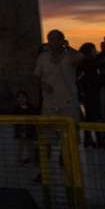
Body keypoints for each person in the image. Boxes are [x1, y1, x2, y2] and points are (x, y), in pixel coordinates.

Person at [33, 29, 85, 181]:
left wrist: (67, 47)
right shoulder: (43, 58)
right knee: (46, 140)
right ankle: (44, 172)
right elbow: (35, 77)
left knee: (69, 141)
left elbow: (81, 58)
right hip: (49, 105)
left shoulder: (69, 56)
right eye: (49, 39)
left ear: (61, 40)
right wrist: (42, 85)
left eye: (55, 39)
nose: (51, 42)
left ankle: (71, 170)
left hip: (69, 105)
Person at [10, 89, 38, 166]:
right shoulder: (15, 109)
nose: (21, 99)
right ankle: (19, 160)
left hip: (29, 130)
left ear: (27, 98)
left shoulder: (31, 108)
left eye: (23, 97)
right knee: (20, 147)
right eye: (19, 97)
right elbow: (13, 121)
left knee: (30, 147)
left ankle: (32, 159)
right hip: (20, 131)